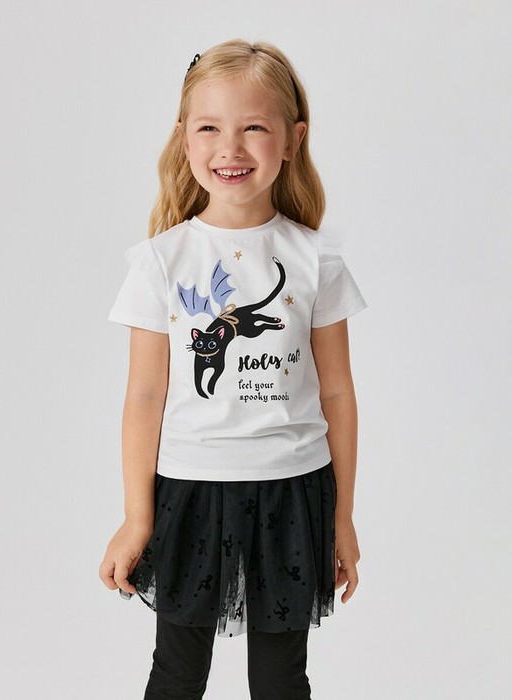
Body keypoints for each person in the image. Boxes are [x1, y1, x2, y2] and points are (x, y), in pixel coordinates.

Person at [99, 37, 368, 700]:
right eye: (209, 128)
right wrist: (136, 517)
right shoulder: (160, 263)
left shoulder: (316, 262)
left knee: (280, 679)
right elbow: (144, 396)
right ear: (183, 139)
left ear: (292, 139)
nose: (231, 148)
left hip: (292, 492)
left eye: (254, 128)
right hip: (189, 491)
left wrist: (342, 516)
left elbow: (337, 394)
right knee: (177, 672)